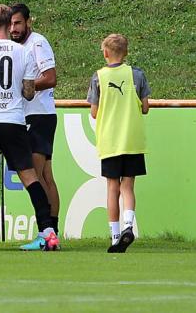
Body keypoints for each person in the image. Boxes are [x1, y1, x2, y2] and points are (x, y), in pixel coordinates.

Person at [0, 4, 58, 252]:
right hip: (14, 120)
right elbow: (28, 93)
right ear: (9, 24)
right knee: (31, 178)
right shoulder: (22, 52)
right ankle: (48, 231)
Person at [87, 34, 150, 253]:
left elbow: (94, 112)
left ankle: (115, 236)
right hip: (132, 139)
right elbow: (145, 107)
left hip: (110, 141)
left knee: (112, 187)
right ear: (126, 53)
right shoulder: (137, 75)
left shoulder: (98, 77)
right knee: (128, 185)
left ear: (105, 53)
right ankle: (128, 226)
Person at [9, 3, 61, 250]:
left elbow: (50, 77)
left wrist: (24, 87)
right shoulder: (16, 47)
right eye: (10, 24)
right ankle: (53, 233)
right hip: (39, 115)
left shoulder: (37, 43)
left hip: (38, 115)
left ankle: (46, 233)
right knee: (46, 176)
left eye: (17, 23)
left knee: (36, 175)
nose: (13, 28)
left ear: (28, 22)